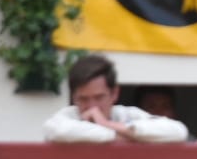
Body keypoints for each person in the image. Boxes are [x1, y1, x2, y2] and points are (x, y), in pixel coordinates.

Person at [42, 54, 189, 144]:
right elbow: (56, 131)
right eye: (83, 99)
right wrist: (121, 135)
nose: (92, 107)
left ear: (114, 94)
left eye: (99, 97)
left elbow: (178, 131)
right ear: (73, 98)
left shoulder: (127, 115)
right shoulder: (68, 116)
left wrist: (106, 123)